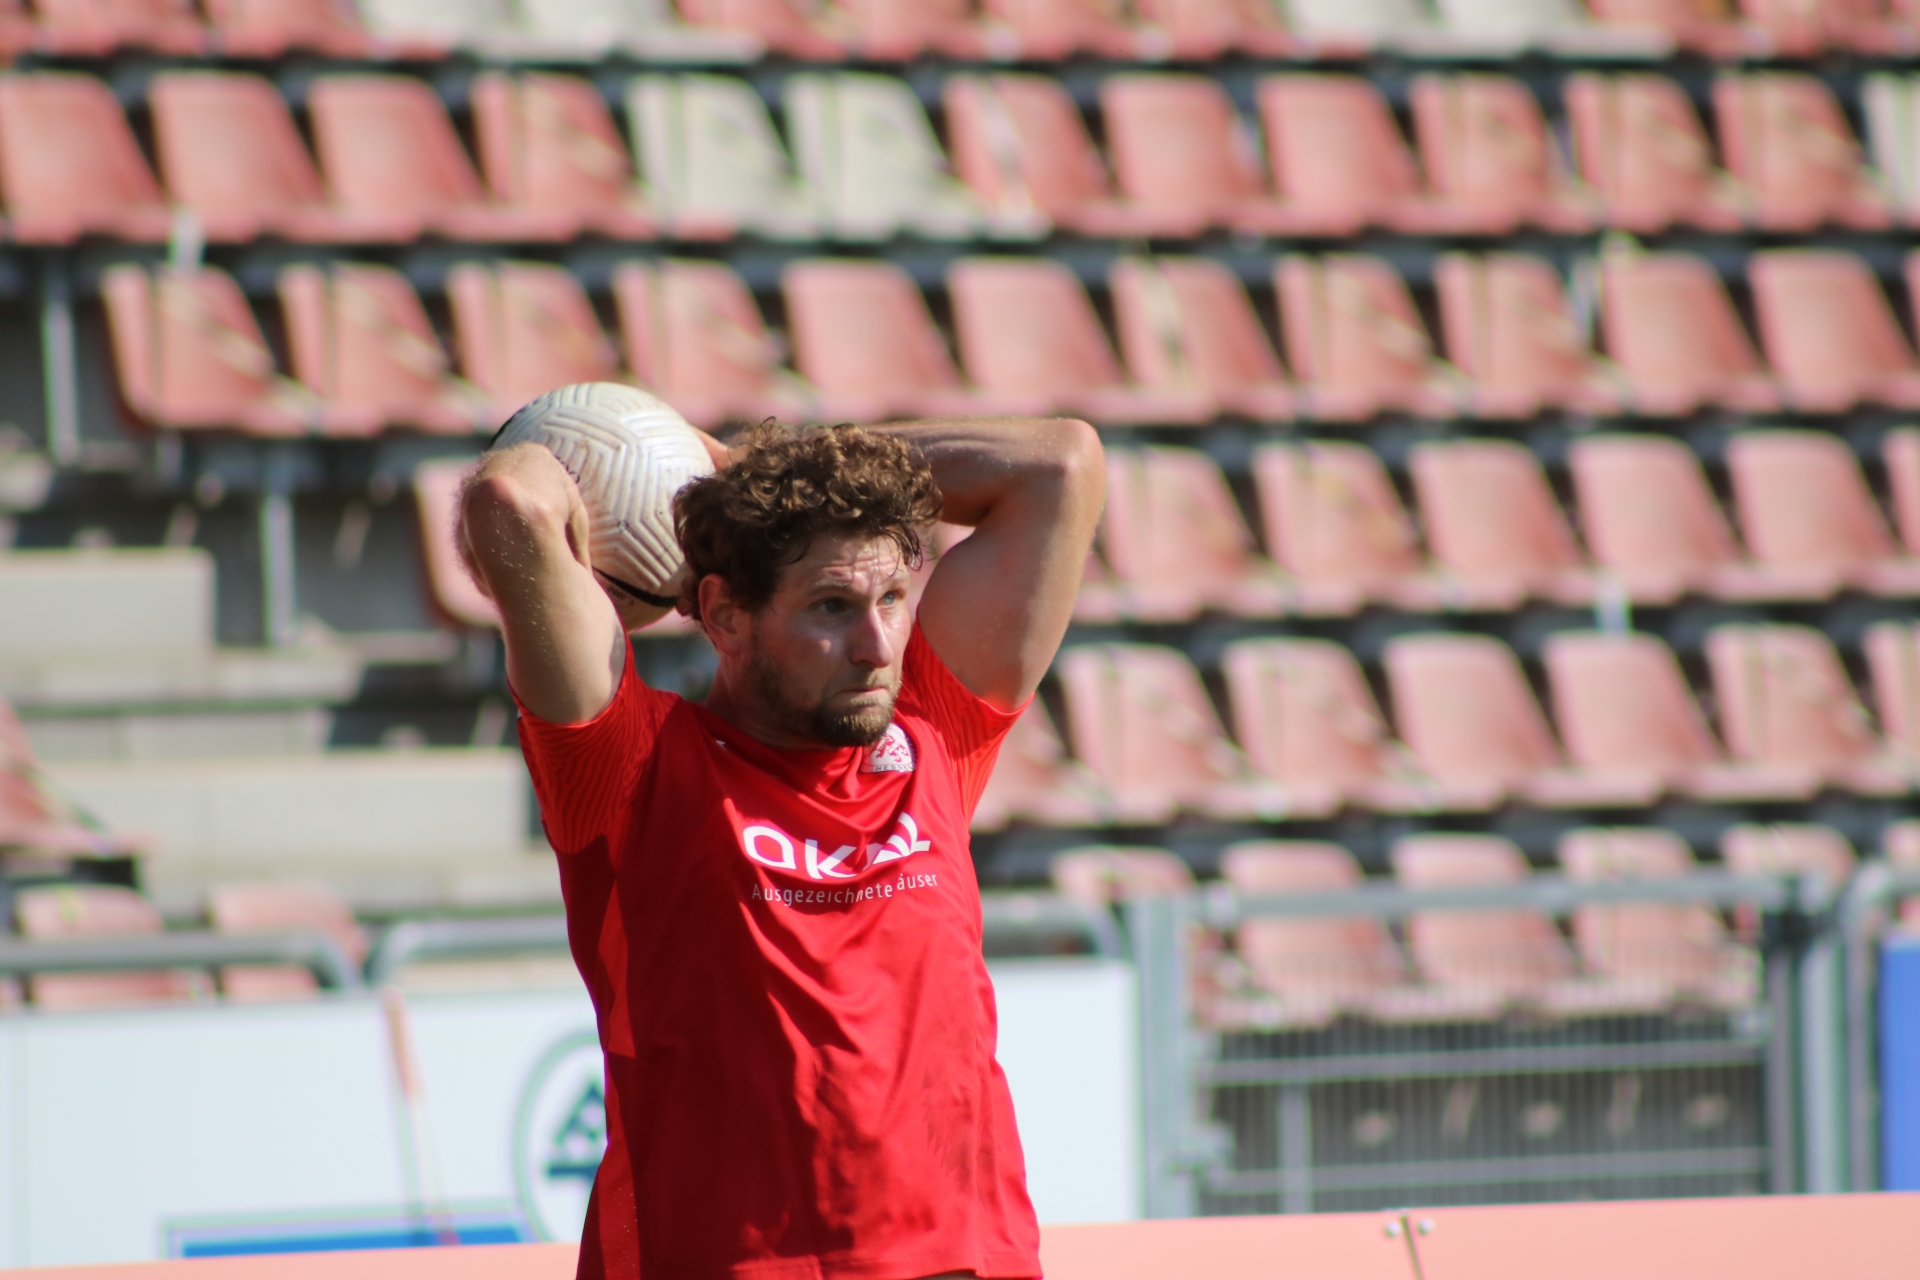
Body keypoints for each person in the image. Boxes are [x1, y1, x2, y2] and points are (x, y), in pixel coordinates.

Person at [458, 413, 1105, 1280]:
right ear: (724, 614)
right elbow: (511, 501)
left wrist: (758, 463)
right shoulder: (632, 769)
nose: (876, 646)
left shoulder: (934, 733)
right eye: (832, 607)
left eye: (892, 599)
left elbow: (1060, 465)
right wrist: (686, 474)